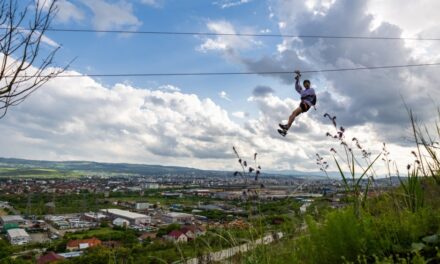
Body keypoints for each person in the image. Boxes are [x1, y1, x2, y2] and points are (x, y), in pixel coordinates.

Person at [278, 70, 317, 137]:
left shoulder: (311, 90)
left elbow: (306, 94)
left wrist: (298, 78)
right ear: (304, 85)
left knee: (294, 113)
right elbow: (297, 87)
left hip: (306, 104)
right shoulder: (303, 91)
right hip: (303, 104)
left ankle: (286, 126)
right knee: (292, 115)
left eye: (308, 83)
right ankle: (285, 130)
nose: (306, 84)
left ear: (309, 84)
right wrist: (298, 78)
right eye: (305, 83)